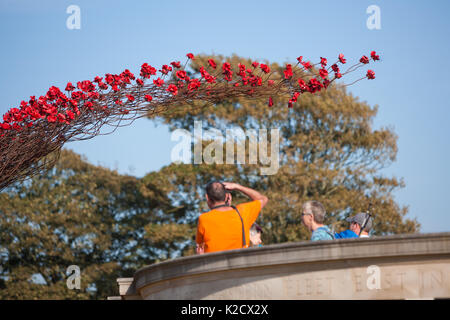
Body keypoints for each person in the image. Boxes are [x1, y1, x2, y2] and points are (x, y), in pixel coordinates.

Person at [196, 181, 268, 254]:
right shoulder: (242, 212)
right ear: (228, 196)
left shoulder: (204, 219)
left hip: (215, 263)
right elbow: (263, 199)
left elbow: (200, 248)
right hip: (239, 263)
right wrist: (237, 186)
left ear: (207, 198)